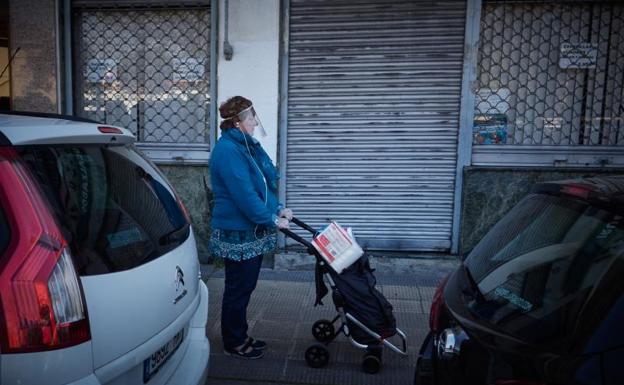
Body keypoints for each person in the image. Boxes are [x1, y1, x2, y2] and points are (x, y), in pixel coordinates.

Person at [209, 95, 293, 359]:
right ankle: (233, 341)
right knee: (238, 288)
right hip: (237, 231)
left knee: (245, 286)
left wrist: (278, 208)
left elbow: (261, 186)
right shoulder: (228, 151)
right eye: (251, 117)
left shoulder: (245, 146)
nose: (256, 121)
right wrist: (271, 219)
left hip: (250, 229)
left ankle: (240, 333)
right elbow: (244, 195)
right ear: (237, 123)